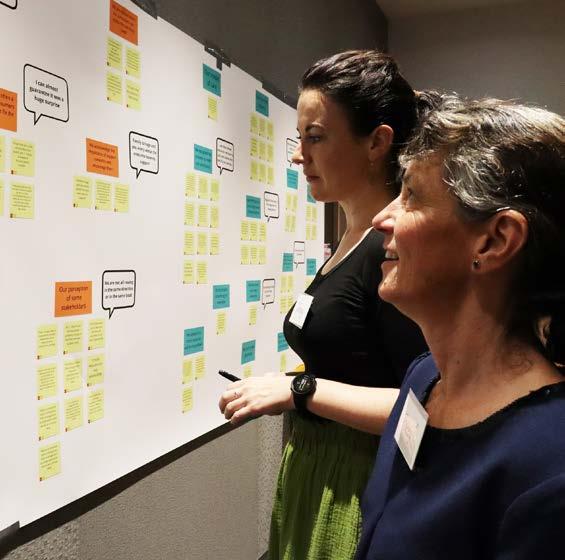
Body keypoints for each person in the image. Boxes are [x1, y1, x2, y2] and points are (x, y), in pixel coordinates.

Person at [219, 50, 429, 559]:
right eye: (299, 138)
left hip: (359, 482)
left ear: (377, 142)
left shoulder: (391, 249)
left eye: (315, 137)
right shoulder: (349, 240)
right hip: (315, 471)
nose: (299, 156)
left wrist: (301, 390)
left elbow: (424, 407)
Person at [356, 98, 565, 559]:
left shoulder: (551, 473)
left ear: (495, 241)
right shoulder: (423, 377)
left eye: (411, 195)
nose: (382, 219)